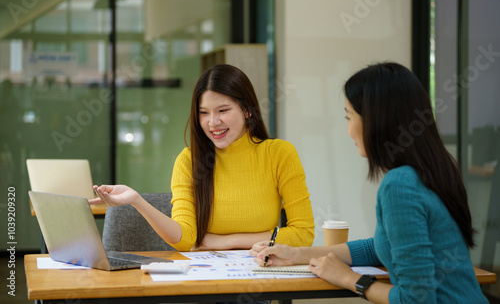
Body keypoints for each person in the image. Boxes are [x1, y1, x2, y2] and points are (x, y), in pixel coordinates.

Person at [250, 62, 488, 303]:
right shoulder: (434, 170)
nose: (348, 129)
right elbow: (381, 247)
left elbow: (416, 300)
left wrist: (349, 279)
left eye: (349, 116)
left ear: (375, 120)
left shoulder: (399, 185)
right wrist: (296, 254)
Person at [90, 64, 315, 251]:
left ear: (247, 110)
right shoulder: (189, 160)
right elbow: (186, 239)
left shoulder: (279, 154)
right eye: (204, 113)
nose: (212, 122)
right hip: (205, 280)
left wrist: (224, 241)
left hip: (257, 277)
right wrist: (137, 201)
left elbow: (303, 234)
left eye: (223, 110)